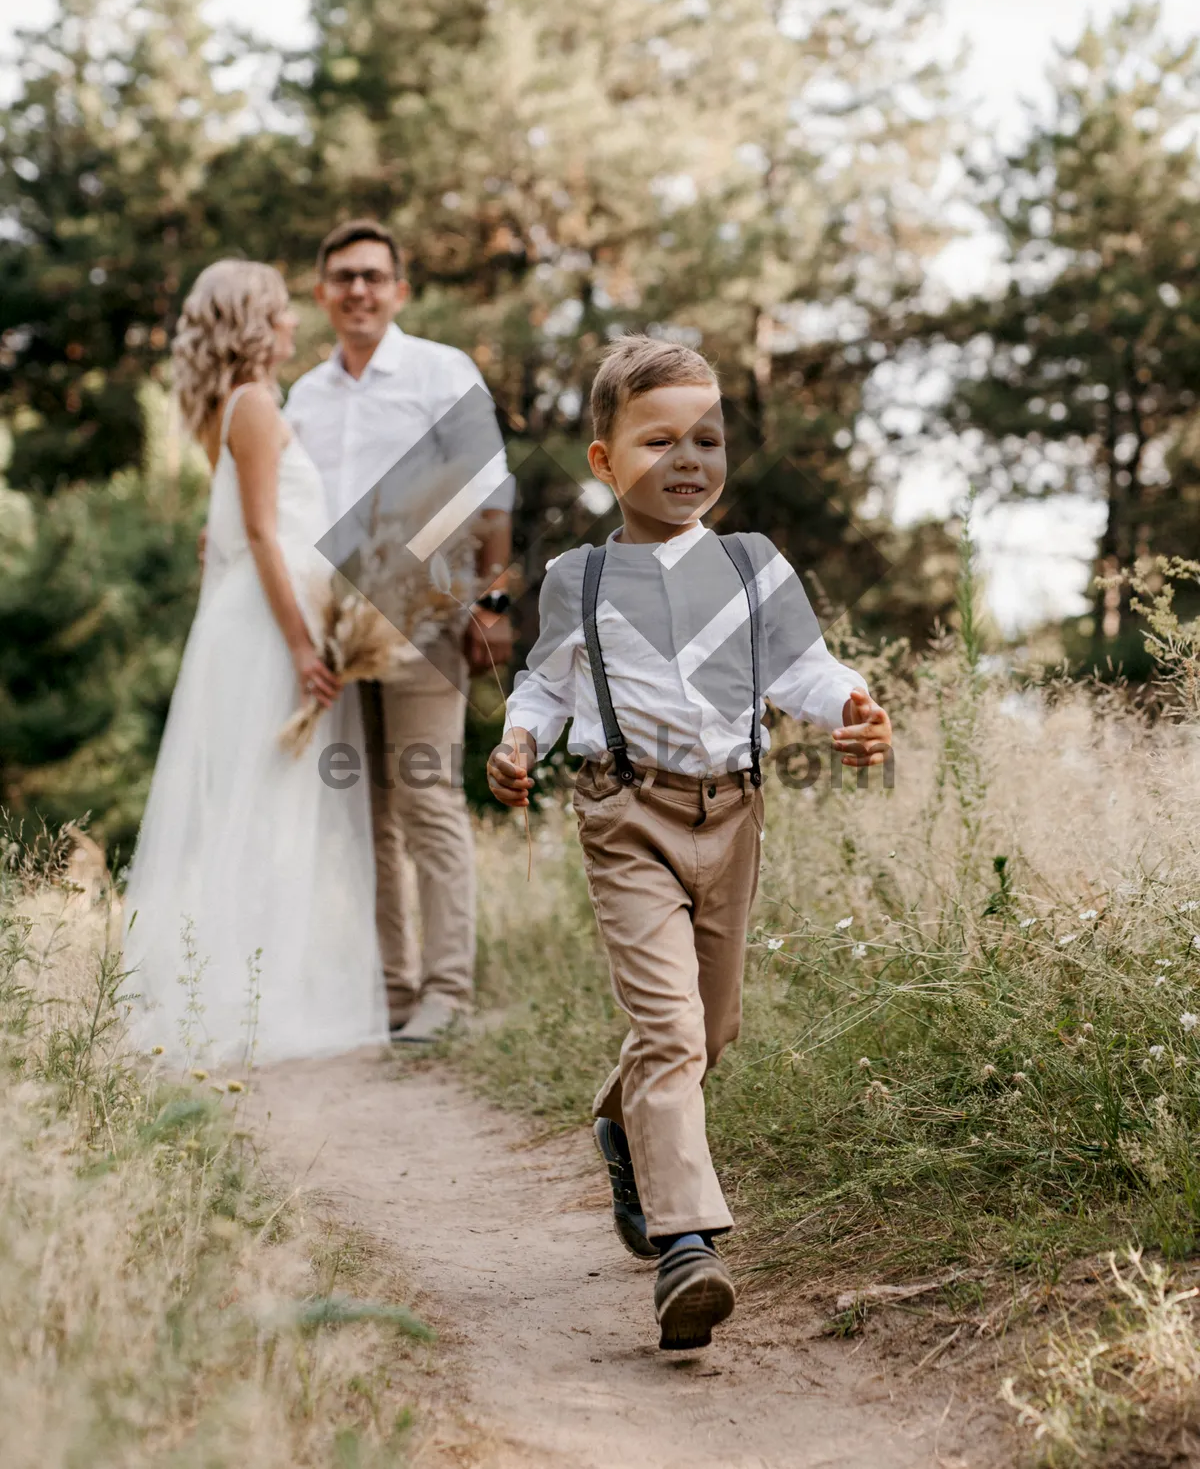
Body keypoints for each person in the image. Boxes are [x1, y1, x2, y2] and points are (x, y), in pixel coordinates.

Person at [486, 335, 892, 1351]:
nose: (687, 459)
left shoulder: (754, 566)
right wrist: (520, 733)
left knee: (710, 1032)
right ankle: (686, 1249)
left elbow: (801, 668)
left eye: (705, 438)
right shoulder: (578, 578)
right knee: (669, 1032)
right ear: (604, 460)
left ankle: (625, 1123)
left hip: (736, 815)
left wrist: (850, 701)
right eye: (657, 438)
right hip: (626, 815)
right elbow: (544, 678)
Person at [124, 260, 387, 1066]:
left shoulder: (225, 405)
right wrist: (306, 645)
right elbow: (269, 534)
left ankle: (242, 990)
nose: (291, 325)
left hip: (250, 616)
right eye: (277, 313)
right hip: (271, 627)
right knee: (263, 811)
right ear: (250, 324)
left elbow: (236, 532)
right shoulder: (256, 404)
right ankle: (244, 1003)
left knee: (255, 806)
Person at [286, 219, 514, 1044]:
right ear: (321, 294)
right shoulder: (304, 395)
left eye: (374, 277)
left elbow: (492, 491)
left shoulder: (438, 371)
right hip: (336, 625)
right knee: (364, 811)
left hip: (424, 609)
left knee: (426, 798)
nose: (358, 290)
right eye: (343, 277)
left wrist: (493, 605)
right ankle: (390, 994)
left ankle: (448, 991)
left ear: (399, 291)